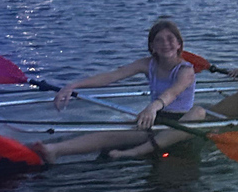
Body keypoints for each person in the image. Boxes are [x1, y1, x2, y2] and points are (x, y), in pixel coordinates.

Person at [32, 19, 206, 163]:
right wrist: (73, 86)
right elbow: (114, 75)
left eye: (170, 39)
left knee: (199, 112)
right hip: (155, 119)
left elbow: (173, 92)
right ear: (152, 46)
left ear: (178, 44)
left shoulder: (185, 70)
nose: (165, 44)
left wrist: (153, 107)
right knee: (109, 135)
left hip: (180, 120)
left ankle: (137, 152)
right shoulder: (148, 64)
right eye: (159, 40)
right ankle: (54, 150)